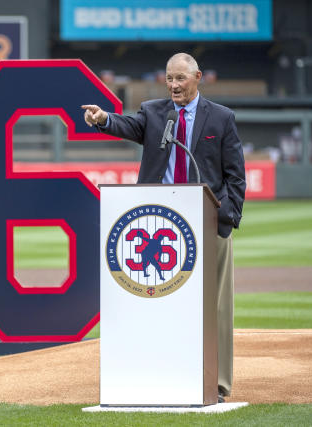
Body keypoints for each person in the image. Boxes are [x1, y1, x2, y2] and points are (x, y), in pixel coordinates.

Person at [82, 52, 246, 403]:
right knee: (155, 299)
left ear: (197, 77)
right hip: (159, 222)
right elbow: (128, 126)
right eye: (169, 78)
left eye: (180, 78)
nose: (173, 85)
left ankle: (217, 383)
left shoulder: (221, 118)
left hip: (207, 220)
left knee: (215, 306)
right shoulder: (155, 112)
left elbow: (235, 176)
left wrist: (225, 219)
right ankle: (154, 374)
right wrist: (102, 119)